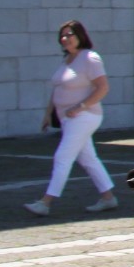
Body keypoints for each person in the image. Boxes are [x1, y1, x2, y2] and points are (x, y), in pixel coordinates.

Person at [25, 21, 117, 217]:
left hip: (85, 116)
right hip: (68, 118)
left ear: (80, 36)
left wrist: (80, 106)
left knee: (62, 157)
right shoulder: (67, 59)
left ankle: (45, 202)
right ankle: (108, 198)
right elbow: (58, 89)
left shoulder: (90, 58)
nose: (65, 38)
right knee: (89, 159)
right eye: (63, 35)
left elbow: (103, 88)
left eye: (70, 34)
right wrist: (48, 114)